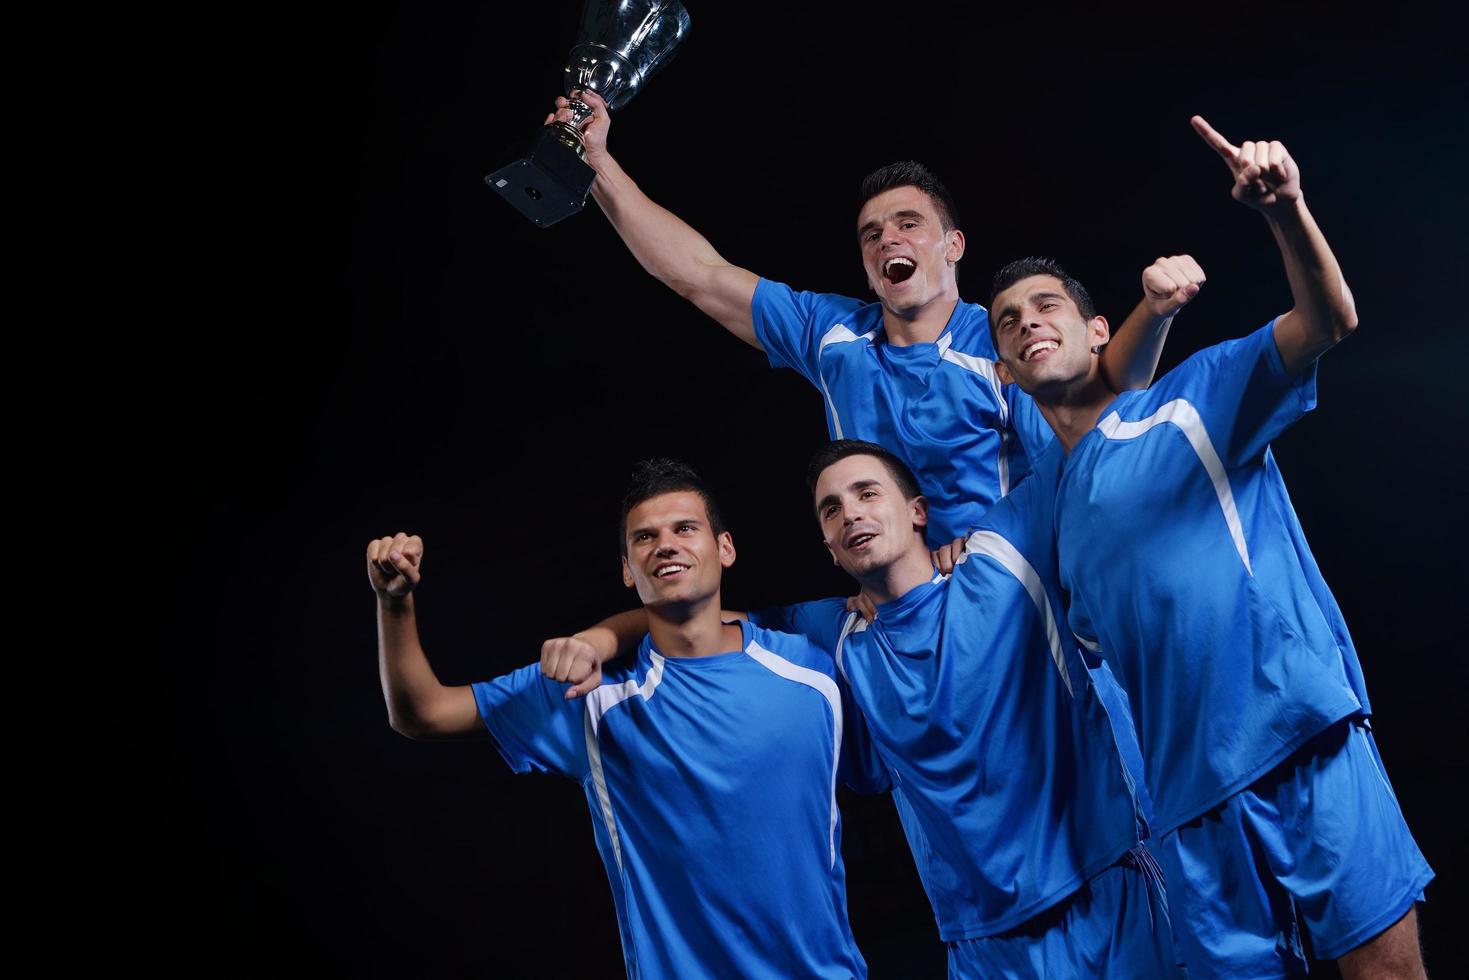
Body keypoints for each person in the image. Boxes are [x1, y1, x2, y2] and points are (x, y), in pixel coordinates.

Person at [986, 117, 1433, 978]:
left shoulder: (1189, 401)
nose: (1026, 323)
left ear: (1093, 331)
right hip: (1188, 809)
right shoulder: (1051, 525)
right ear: (1002, 370)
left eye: (1047, 307)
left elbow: (1327, 320)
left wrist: (1285, 210)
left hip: (1301, 742)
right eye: (1006, 321)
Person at [547, 442, 1183, 978]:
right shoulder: (828, 634)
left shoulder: (1001, 555)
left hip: (1107, 880)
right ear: (827, 544)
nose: (850, 513)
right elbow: (685, 609)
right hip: (981, 934)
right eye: (831, 508)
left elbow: (1092, 441)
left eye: (866, 494)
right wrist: (601, 639)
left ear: (917, 511)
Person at [546, 90, 1205, 547]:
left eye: (909, 224)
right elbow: (696, 273)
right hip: (896, 605)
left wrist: (988, 552)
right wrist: (597, 163)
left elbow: (1094, 427)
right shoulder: (832, 332)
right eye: (871, 234)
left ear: (952, 246)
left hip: (1016, 593)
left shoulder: (1008, 340)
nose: (888, 239)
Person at [369, 459, 871, 979]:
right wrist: (394, 602)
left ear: (725, 548)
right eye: (645, 538)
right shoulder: (591, 695)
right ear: (628, 569)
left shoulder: (812, 664)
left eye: (684, 528)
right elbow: (421, 713)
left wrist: (956, 552)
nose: (666, 545)